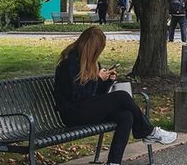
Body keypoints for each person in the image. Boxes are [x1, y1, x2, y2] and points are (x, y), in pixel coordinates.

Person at [54, 27, 177, 165]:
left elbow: (96, 94)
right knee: (122, 96)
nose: (97, 55)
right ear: (91, 49)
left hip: (86, 109)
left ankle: (114, 162)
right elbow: (75, 96)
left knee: (126, 116)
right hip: (72, 113)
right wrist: (97, 79)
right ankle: (149, 131)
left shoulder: (92, 63)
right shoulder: (69, 63)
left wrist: (107, 82)